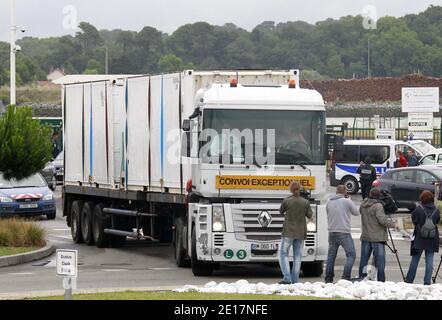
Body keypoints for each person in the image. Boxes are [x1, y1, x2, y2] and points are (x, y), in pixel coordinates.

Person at [358, 188, 396, 282]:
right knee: (380, 261)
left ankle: (361, 277)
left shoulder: (363, 204)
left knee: (364, 259)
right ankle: (381, 280)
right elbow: (382, 220)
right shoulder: (378, 206)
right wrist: (393, 224)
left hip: (366, 236)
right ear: (379, 196)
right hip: (377, 237)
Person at [278, 181, 313, 284]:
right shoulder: (305, 202)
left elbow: (281, 211)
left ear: (291, 189)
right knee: (297, 256)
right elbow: (310, 215)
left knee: (283, 254)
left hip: (288, 232)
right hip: (300, 232)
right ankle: (295, 280)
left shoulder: (287, 201)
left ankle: (287, 278)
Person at [325, 185, 359, 283]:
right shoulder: (347, 201)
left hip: (331, 231)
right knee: (351, 255)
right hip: (344, 231)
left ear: (336, 191)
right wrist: (349, 200)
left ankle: (328, 278)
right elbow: (356, 212)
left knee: (331, 256)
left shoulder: (329, 201)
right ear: (345, 192)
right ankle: (345, 276)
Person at [405, 191, 440, 285]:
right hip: (432, 238)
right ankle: (427, 282)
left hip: (419, 238)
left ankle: (409, 280)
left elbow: (414, 221)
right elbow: (437, 221)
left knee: (415, 260)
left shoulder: (418, 209)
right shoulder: (437, 209)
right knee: (429, 261)